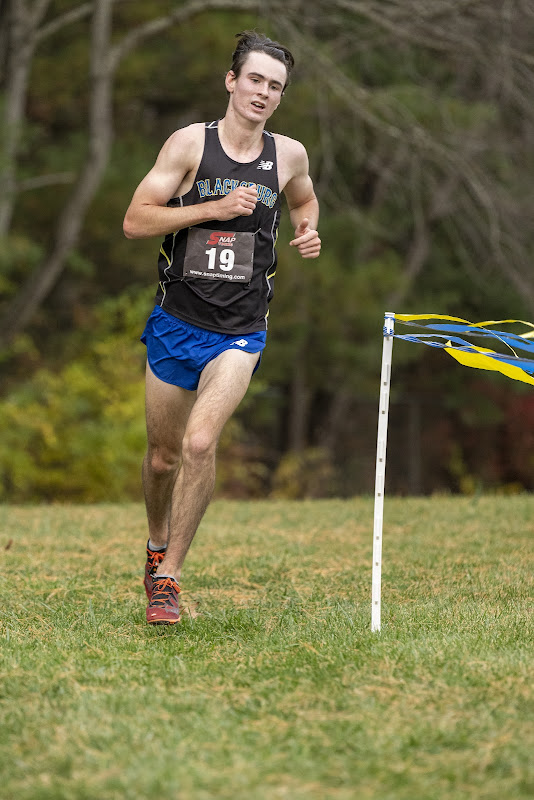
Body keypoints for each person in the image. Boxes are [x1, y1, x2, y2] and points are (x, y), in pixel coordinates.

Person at [123, 30, 321, 624]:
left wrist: (307, 228)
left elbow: (304, 200)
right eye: (255, 79)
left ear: (281, 96)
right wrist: (214, 208)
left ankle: (169, 578)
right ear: (232, 81)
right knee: (163, 458)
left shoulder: (289, 155)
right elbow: (136, 221)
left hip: (240, 330)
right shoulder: (189, 144)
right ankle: (156, 543)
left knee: (200, 443)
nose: (263, 92)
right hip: (176, 322)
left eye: (275, 86)